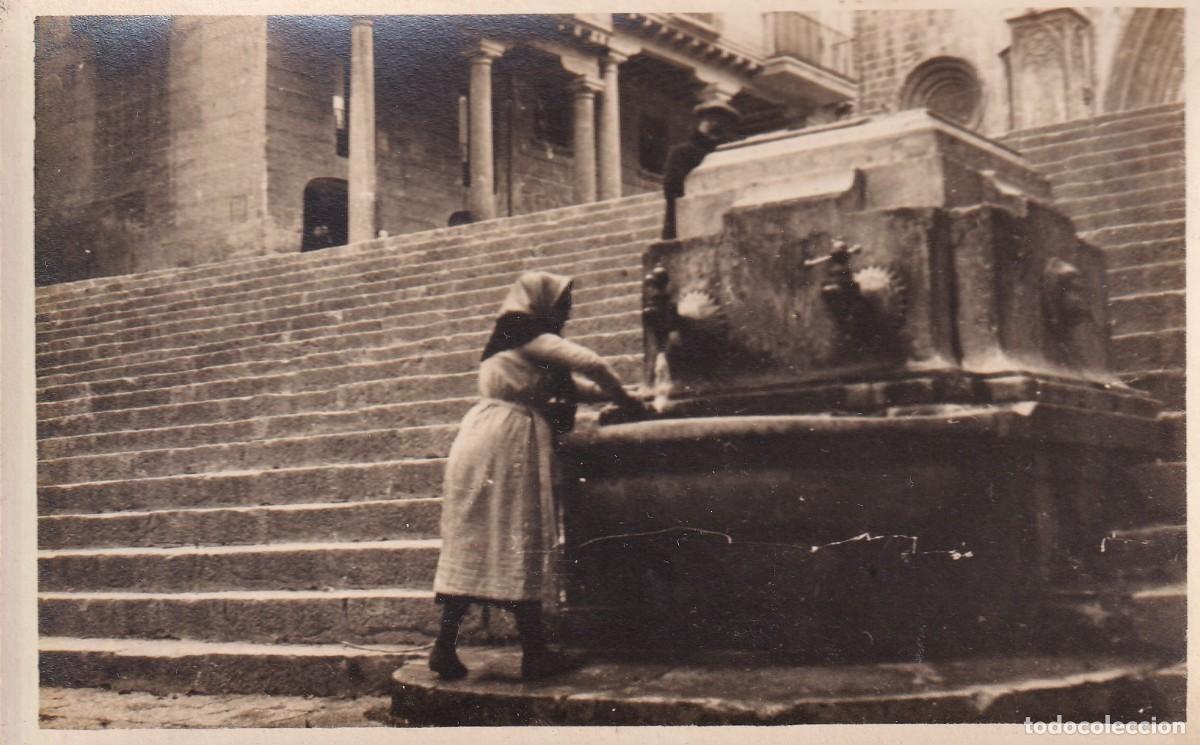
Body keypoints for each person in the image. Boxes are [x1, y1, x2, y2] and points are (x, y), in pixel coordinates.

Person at [429, 271, 646, 681]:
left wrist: (627, 396)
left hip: (485, 436)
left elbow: (578, 386)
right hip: (508, 441)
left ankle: (444, 647)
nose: (565, 312)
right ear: (538, 302)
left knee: (476, 537)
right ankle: (533, 653)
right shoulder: (523, 330)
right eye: (561, 303)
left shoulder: (519, 342)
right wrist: (627, 402)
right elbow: (592, 363)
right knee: (518, 533)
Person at [660, 101, 741, 240]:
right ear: (700, 123)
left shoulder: (733, 153)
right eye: (709, 119)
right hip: (687, 219)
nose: (713, 124)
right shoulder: (682, 152)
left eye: (719, 121)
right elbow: (672, 188)